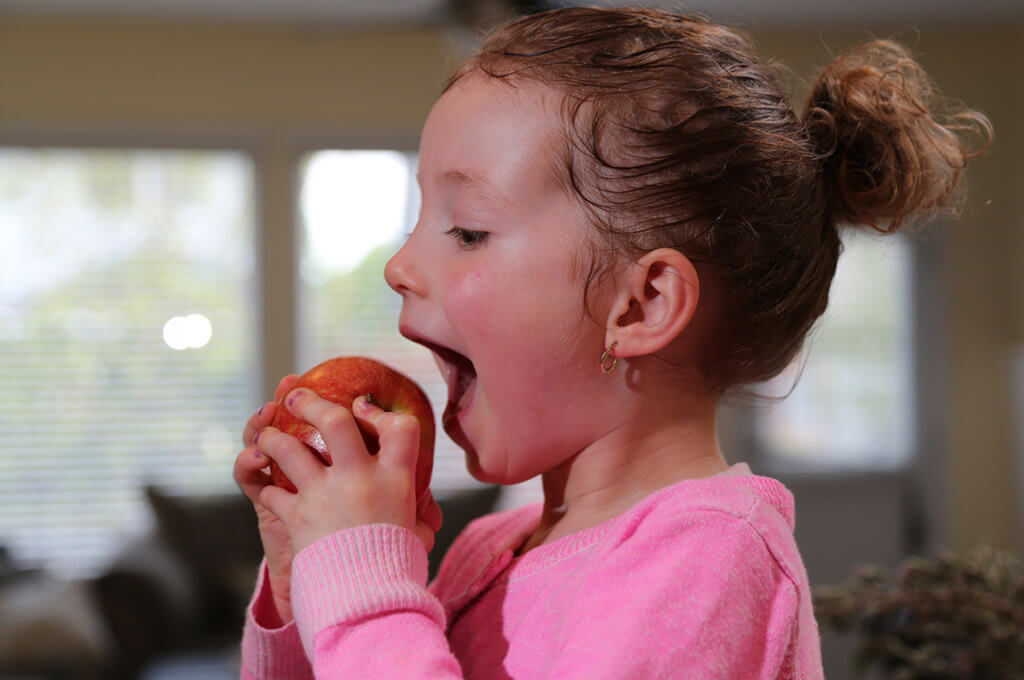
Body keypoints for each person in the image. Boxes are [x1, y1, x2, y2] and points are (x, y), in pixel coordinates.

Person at [233, 6, 990, 679]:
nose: (400, 267)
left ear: (642, 304)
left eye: (467, 230)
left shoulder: (707, 557)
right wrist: (311, 588)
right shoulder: (489, 551)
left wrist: (369, 593)